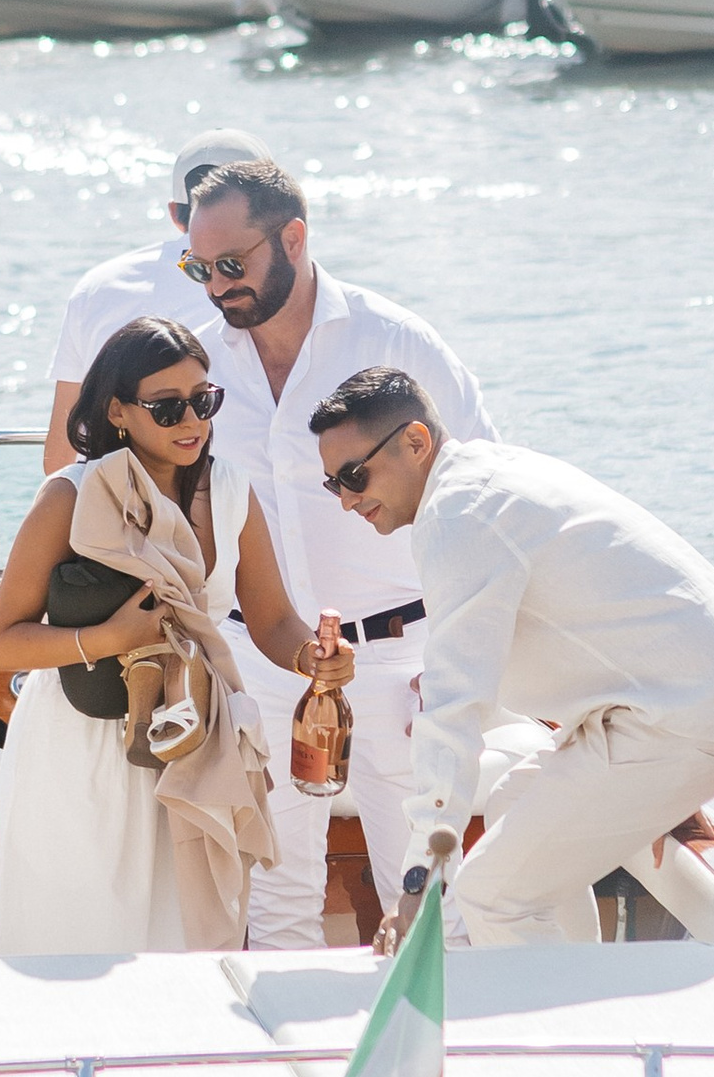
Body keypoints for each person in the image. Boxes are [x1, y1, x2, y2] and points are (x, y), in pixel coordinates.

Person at [308, 367, 714, 948]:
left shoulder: (458, 517)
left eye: (355, 475)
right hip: (691, 702)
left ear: (416, 442)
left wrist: (416, 887)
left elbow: (454, 709)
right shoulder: (493, 475)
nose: (348, 500)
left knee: (490, 895)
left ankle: (566, 1034)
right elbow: (598, 630)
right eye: (333, 485)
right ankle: (574, 986)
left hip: (682, 719)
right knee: (511, 798)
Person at [181, 155, 496, 949]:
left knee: (429, 914)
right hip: (265, 665)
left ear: (294, 237)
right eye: (199, 267)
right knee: (276, 910)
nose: (217, 287)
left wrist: (461, 651)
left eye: (232, 264)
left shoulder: (396, 341)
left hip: (405, 664)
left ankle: (426, 1070)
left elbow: (485, 496)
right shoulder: (200, 368)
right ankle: (291, 1067)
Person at [0, 317, 336, 953]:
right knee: (82, 935)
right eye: (168, 408)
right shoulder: (68, 497)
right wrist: (111, 636)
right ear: (118, 410)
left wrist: (316, 659)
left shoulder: (232, 492)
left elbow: (273, 620)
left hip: (194, 734)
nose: (191, 423)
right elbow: (1, 642)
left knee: (181, 934)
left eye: (203, 401)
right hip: (82, 747)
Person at [38, 124, 266, 467]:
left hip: (118, 509)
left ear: (175, 213)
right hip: (236, 507)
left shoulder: (94, 287)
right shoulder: (268, 292)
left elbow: (61, 452)